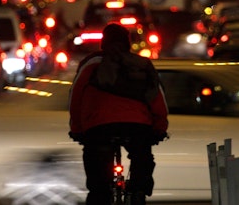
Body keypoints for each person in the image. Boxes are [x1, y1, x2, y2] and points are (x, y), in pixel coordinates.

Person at [68, 23, 169, 205]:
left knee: (98, 177)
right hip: (138, 126)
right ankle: (138, 191)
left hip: (98, 127)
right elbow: (157, 99)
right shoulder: (141, 65)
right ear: (128, 43)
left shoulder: (90, 65)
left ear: (103, 43)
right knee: (142, 155)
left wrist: (77, 128)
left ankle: (100, 196)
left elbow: (75, 97)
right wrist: (160, 128)